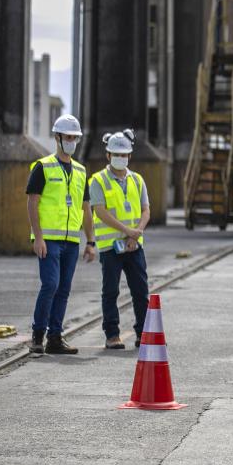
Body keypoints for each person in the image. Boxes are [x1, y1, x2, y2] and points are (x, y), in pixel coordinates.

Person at [26, 114, 96, 354]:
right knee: (51, 285)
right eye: (68, 137)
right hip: (49, 240)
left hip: (71, 241)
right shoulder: (42, 167)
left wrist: (91, 241)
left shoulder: (80, 171)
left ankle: (55, 338)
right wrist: (38, 236)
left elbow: (86, 208)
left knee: (64, 288)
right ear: (57, 138)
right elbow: (32, 203)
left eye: (75, 138)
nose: (72, 142)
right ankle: (37, 335)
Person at [88, 130, 150, 349]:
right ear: (108, 155)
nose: (120, 158)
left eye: (124, 155)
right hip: (110, 248)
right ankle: (112, 335)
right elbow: (101, 212)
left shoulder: (137, 179)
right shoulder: (98, 180)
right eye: (116, 154)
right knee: (111, 291)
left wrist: (137, 232)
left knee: (141, 291)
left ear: (130, 156)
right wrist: (128, 231)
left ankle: (143, 333)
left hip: (134, 246)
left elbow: (145, 211)